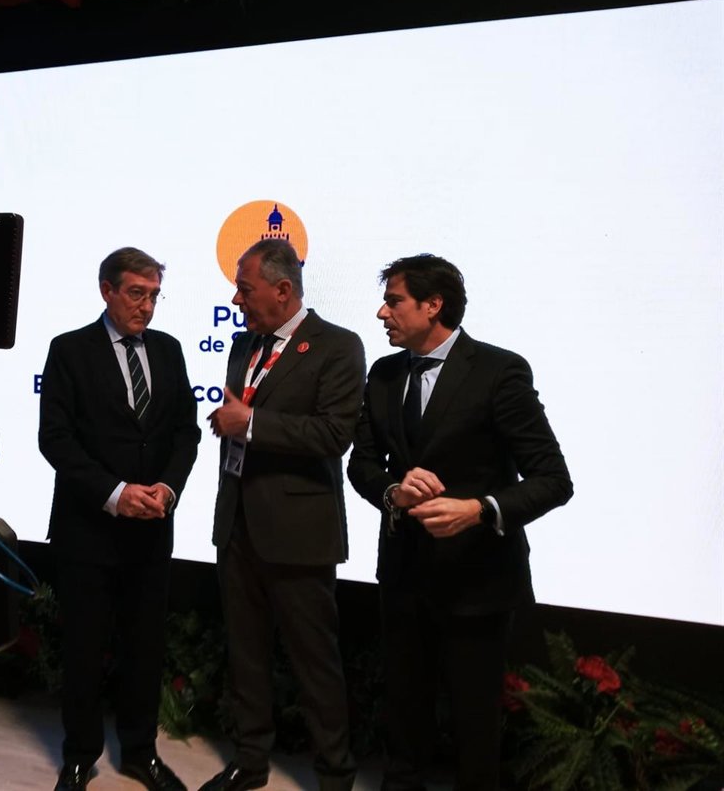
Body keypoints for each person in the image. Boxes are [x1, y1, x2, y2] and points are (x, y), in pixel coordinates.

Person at [347, 254, 573, 791]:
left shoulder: (499, 371)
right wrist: (393, 492)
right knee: (404, 719)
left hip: (478, 584)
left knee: (475, 729)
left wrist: (479, 509)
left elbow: (553, 479)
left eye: (394, 301)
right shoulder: (383, 374)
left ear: (433, 305)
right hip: (403, 578)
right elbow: (361, 465)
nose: (381, 313)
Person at [204, 238, 365, 791]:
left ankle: (335, 776)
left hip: (299, 533)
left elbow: (334, 434)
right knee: (245, 655)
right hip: (238, 524)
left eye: (244, 289)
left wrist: (249, 424)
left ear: (282, 289)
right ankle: (249, 764)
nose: (237, 299)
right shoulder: (244, 343)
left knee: (315, 663)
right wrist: (234, 424)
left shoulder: (338, 346)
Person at [38, 247, 201, 791]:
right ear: (106, 290)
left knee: (145, 648)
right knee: (84, 648)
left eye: (154, 296)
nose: (146, 307)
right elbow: (55, 439)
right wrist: (115, 494)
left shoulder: (169, 350)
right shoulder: (69, 350)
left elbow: (185, 433)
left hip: (152, 528)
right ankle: (79, 756)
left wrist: (168, 489)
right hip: (87, 528)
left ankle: (140, 753)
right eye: (136, 293)